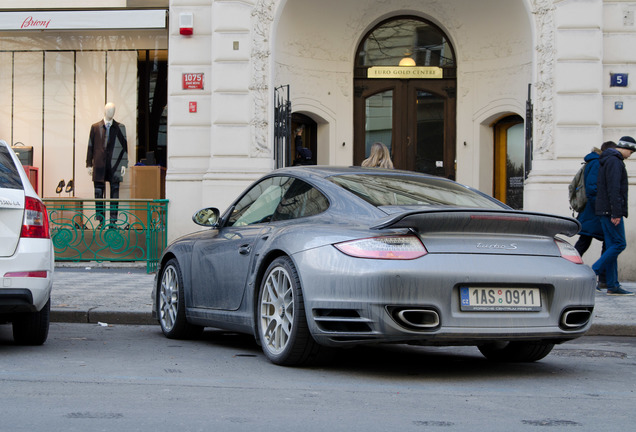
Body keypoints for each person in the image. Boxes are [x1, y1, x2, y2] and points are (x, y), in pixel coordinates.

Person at [592, 136, 636, 295]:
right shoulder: (614, 161)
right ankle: (593, 271)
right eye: (631, 151)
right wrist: (616, 212)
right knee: (619, 244)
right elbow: (614, 189)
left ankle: (612, 285)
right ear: (625, 147)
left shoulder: (609, 159)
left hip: (605, 210)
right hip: (610, 212)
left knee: (612, 246)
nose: (631, 154)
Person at [86, 102, 128, 228]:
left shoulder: (120, 127)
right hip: (99, 164)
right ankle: (101, 221)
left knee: (114, 193)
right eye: (109, 111)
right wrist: (89, 164)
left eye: (113, 111)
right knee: (99, 193)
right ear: (105, 111)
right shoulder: (95, 127)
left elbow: (124, 147)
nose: (111, 113)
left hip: (114, 165)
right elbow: (90, 146)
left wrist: (124, 164)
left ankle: (113, 222)